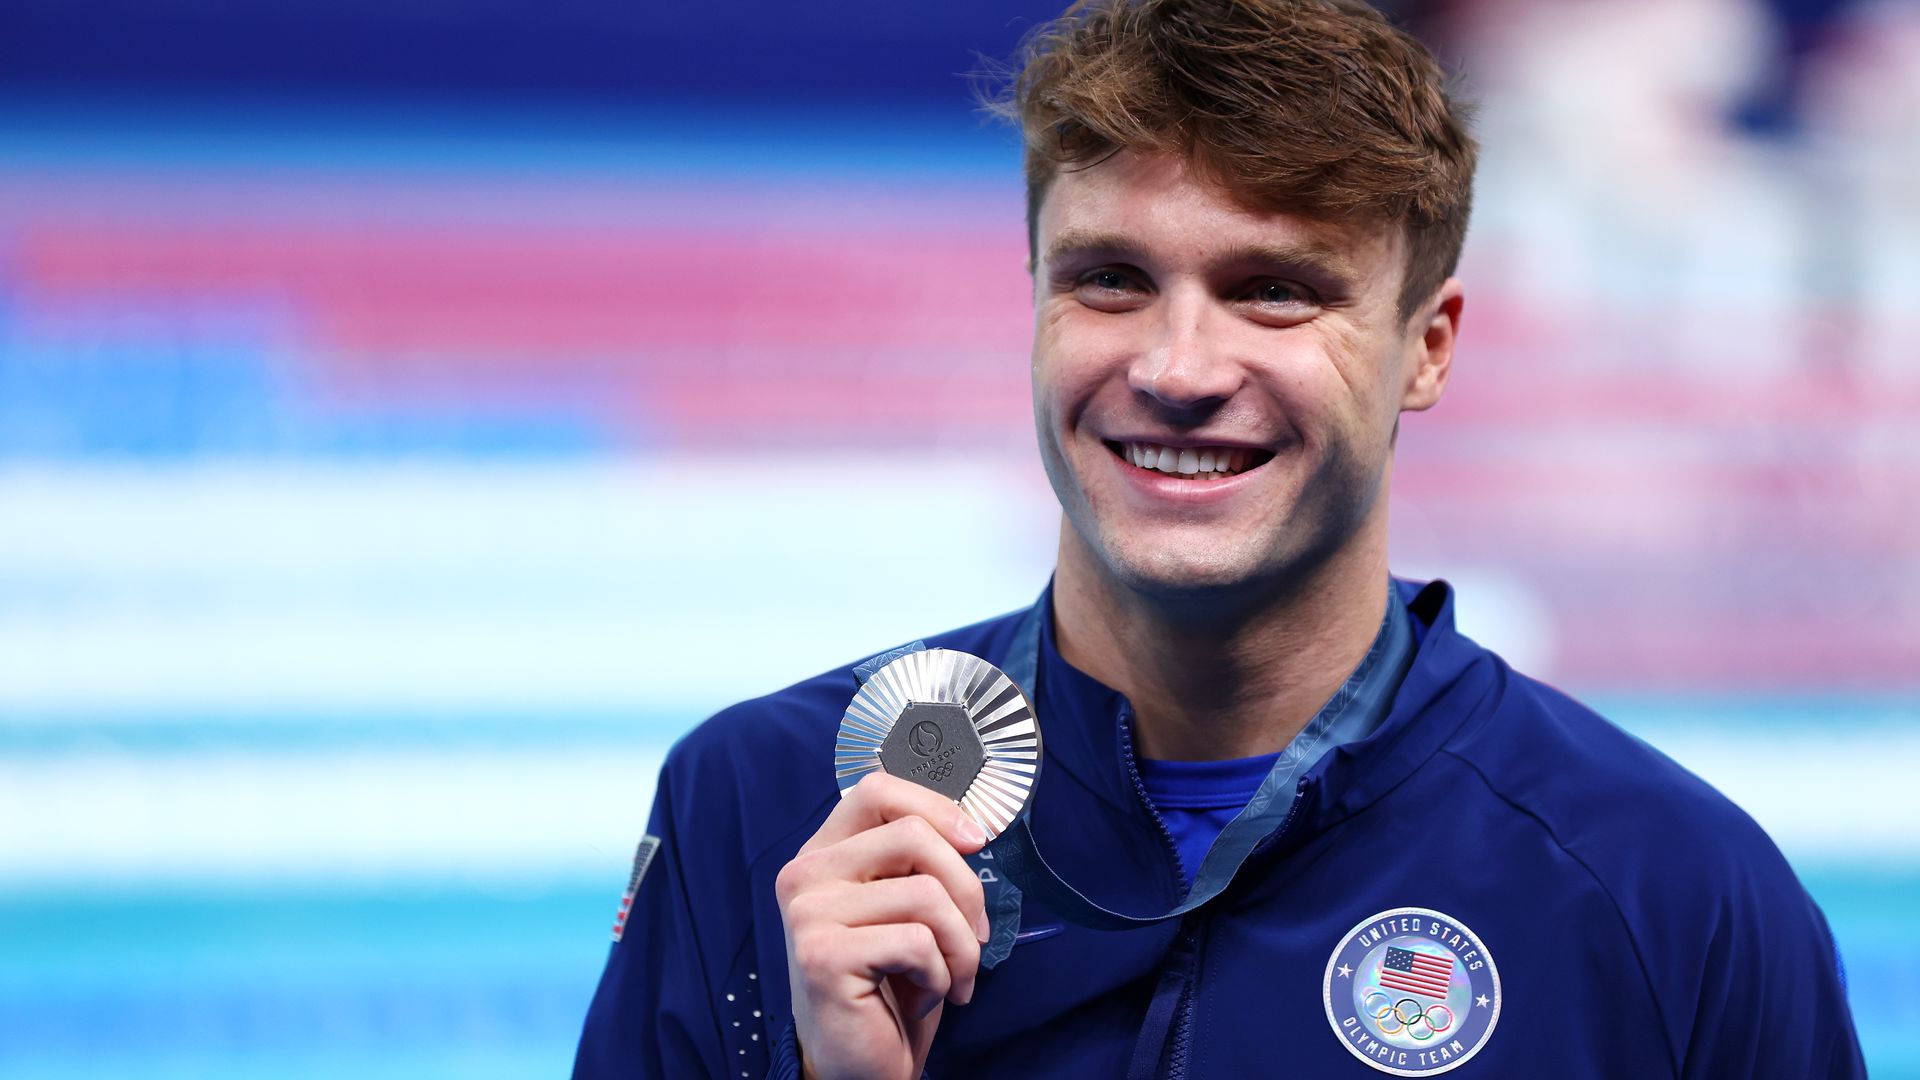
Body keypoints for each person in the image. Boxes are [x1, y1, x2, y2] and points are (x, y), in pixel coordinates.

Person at [573, 0, 1866, 1077]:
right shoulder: (759, 814)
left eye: (1273, 292)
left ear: (1429, 347)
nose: (1179, 367)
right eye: (1111, 280)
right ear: (1033, 299)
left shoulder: (1672, 898)